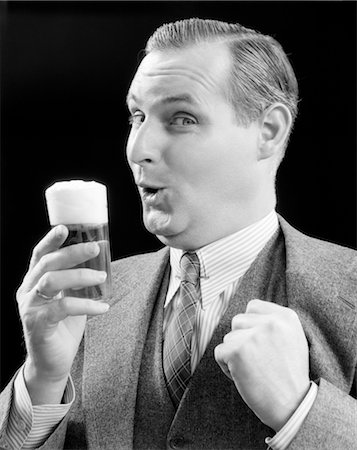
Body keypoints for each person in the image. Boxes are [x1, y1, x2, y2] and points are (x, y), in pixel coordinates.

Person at [0, 18, 356, 450]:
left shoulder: (351, 290)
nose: (137, 150)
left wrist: (300, 411)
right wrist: (43, 378)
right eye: (137, 116)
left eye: (182, 118)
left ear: (268, 131)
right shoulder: (85, 302)